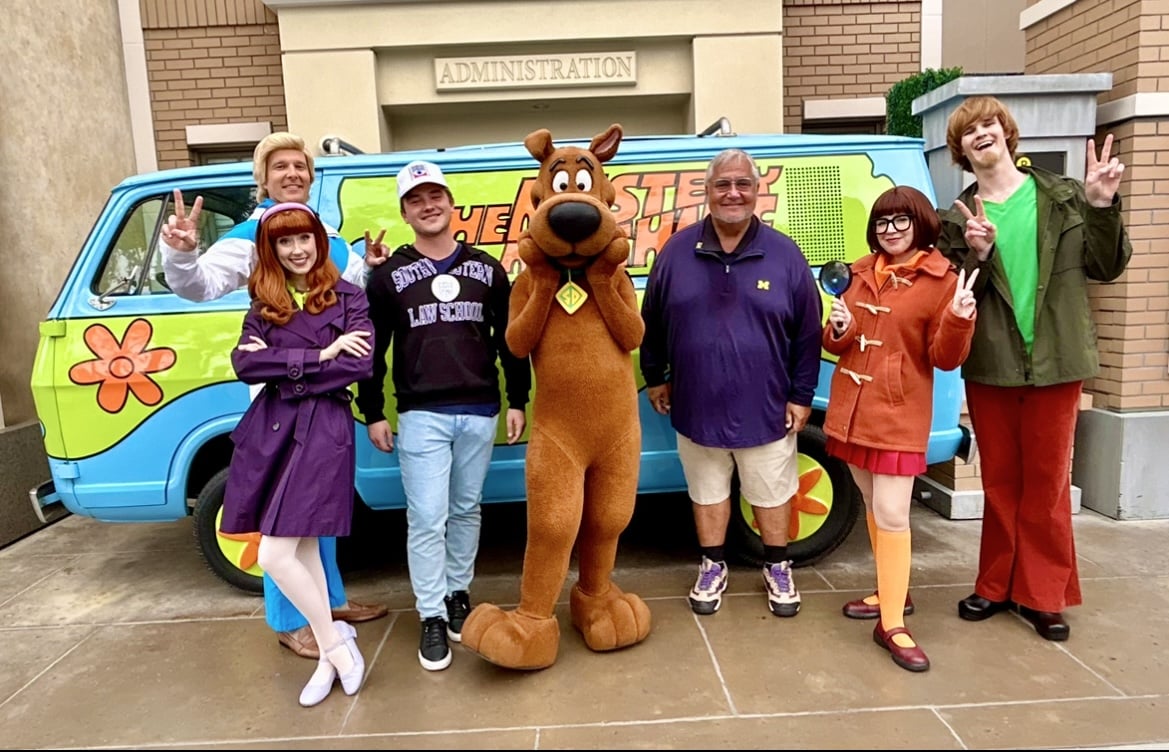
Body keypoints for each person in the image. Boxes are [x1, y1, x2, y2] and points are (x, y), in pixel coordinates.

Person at [159, 131, 389, 660]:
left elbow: (341, 291)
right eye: (280, 166)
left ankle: (327, 605)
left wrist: (368, 267)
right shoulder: (249, 234)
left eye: (300, 166)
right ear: (261, 178)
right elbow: (200, 284)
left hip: (327, 404)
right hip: (282, 404)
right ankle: (292, 621)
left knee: (318, 511)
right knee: (283, 518)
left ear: (311, 175)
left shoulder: (323, 232)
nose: (292, 173)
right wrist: (181, 256)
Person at [936, 96, 1132, 641]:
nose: (981, 134)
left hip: (1057, 361)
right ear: (960, 149)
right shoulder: (959, 216)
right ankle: (996, 585)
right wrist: (975, 253)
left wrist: (1101, 203)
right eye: (968, 130)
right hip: (992, 364)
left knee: (1046, 484)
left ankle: (1042, 594)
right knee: (1000, 482)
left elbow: (1106, 265)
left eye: (987, 124)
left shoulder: (1064, 195)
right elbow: (955, 294)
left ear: (1005, 133)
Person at [355, 160, 530, 671]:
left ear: (452, 205)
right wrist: (374, 412)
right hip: (421, 414)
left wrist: (517, 399)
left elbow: (509, 342)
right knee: (427, 517)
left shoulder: (487, 268)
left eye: (436, 196)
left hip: (478, 409)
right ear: (405, 212)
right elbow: (374, 349)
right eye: (416, 199)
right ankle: (431, 614)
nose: (428, 206)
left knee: (468, 509)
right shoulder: (388, 276)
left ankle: (458, 594)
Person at [640, 148, 823, 619]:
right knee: (707, 490)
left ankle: (778, 565)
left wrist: (802, 395)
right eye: (723, 184)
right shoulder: (676, 252)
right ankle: (712, 565)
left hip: (765, 407)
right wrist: (655, 376)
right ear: (707, 192)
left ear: (757, 191)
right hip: (695, 405)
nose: (733, 193)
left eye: (743, 183)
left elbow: (807, 332)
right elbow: (652, 323)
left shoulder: (785, 254)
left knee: (771, 490)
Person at [220, 202, 372, 706]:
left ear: (318, 240)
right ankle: (334, 650)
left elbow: (360, 365)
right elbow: (244, 363)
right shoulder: (264, 302)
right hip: (275, 433)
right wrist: (320, 355)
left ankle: (333, 647)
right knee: (299, 549)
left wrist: (286, 366)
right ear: (272, 250)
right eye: (284, 242)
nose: (297, 249)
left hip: (324, 430)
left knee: (274, 553)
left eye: (303, 238)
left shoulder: (348, 296)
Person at [821, 186, 977, 672]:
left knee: (892, 514)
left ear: (921, 223)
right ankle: (894, 592)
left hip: (897, 412)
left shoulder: (941, 280)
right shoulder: (858, 271)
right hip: (852, 410)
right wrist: (840, 326)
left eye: (901, 221)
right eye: (883, 222)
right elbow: (834, 345)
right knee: (873, 506)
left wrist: (958, 319)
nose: (890, 230)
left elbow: (946, 358)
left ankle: (891, 623)